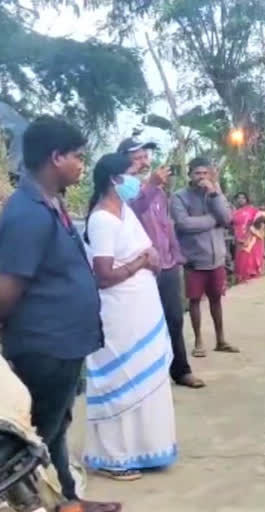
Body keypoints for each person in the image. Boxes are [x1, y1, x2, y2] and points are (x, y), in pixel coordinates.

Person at [0, 117, 121, 511]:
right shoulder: (27, 214)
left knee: (55, 430)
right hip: (44, 345)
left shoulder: (50, 204)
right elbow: (7, 289)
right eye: (77, 157)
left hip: (64, 343)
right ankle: (56, 504)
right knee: (39, 435)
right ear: (56, 157)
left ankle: (68, 500)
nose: (82, 165)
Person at [83, 153, 177, 481]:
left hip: (142, 310)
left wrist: (149, 259)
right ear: (114, 179)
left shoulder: (124, 212)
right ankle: (112, 456)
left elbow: (149, 249)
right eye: (132, 173)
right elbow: (104, 274)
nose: (138, 178)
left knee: (145, 379)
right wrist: (140, 262)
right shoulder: (102, 220)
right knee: (121, 378)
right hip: (119, 312)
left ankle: (144, 448)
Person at [118, 136, 205, 389]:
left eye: (146, 157)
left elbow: (165, 226)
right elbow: (129, 213)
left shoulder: (155, 188)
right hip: (141, 266)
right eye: (138, 158)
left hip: (166, 264)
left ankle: (181, 370)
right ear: (123, 159)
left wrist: (176, 255)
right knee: (141, 322)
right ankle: (143, 375)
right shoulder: (120, 185)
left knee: (175, 318)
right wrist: (150, 186)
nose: (145, 162)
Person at [171, 157, 237, 357]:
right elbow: (183, 224)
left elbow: (227, 218)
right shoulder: (179, 197)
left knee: (216, 299)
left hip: (216, 259)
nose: (201, 177)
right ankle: (199, 341)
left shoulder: (215, 193)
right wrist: (211, 220)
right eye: (197, 173)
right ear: (190, 175)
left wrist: (215, 194)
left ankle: (221, 340)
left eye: (205, 173)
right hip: (194, 260)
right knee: (195, 301)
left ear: (210, 174)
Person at [232, 192, 265, 283]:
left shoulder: (252, 210)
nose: (241, 199)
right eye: (239, 198)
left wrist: (249, 236)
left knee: (249, 261)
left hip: (250, 241)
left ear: (247, 199)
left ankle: (252, 280)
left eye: (243, 198)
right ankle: (241, 281)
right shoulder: (234, 212)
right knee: (240, 262)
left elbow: (261, 222)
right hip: (238, 239)